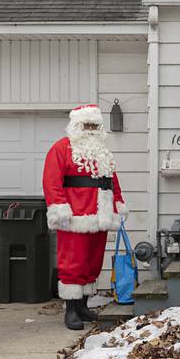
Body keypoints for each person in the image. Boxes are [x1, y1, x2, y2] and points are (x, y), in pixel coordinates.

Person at [43, 104, 128, 331]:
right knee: (73, 262)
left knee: (92, 262)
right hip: (75, 217)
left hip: (100, 215)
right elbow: (51, 181)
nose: (90, 130)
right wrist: (59, 208)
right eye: (87, 125)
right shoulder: (61, 148)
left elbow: (111, 180)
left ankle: (82, 306)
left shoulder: (102, 151)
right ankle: (70, 310)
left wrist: (118, 204)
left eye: (94, 126)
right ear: (76, 126)